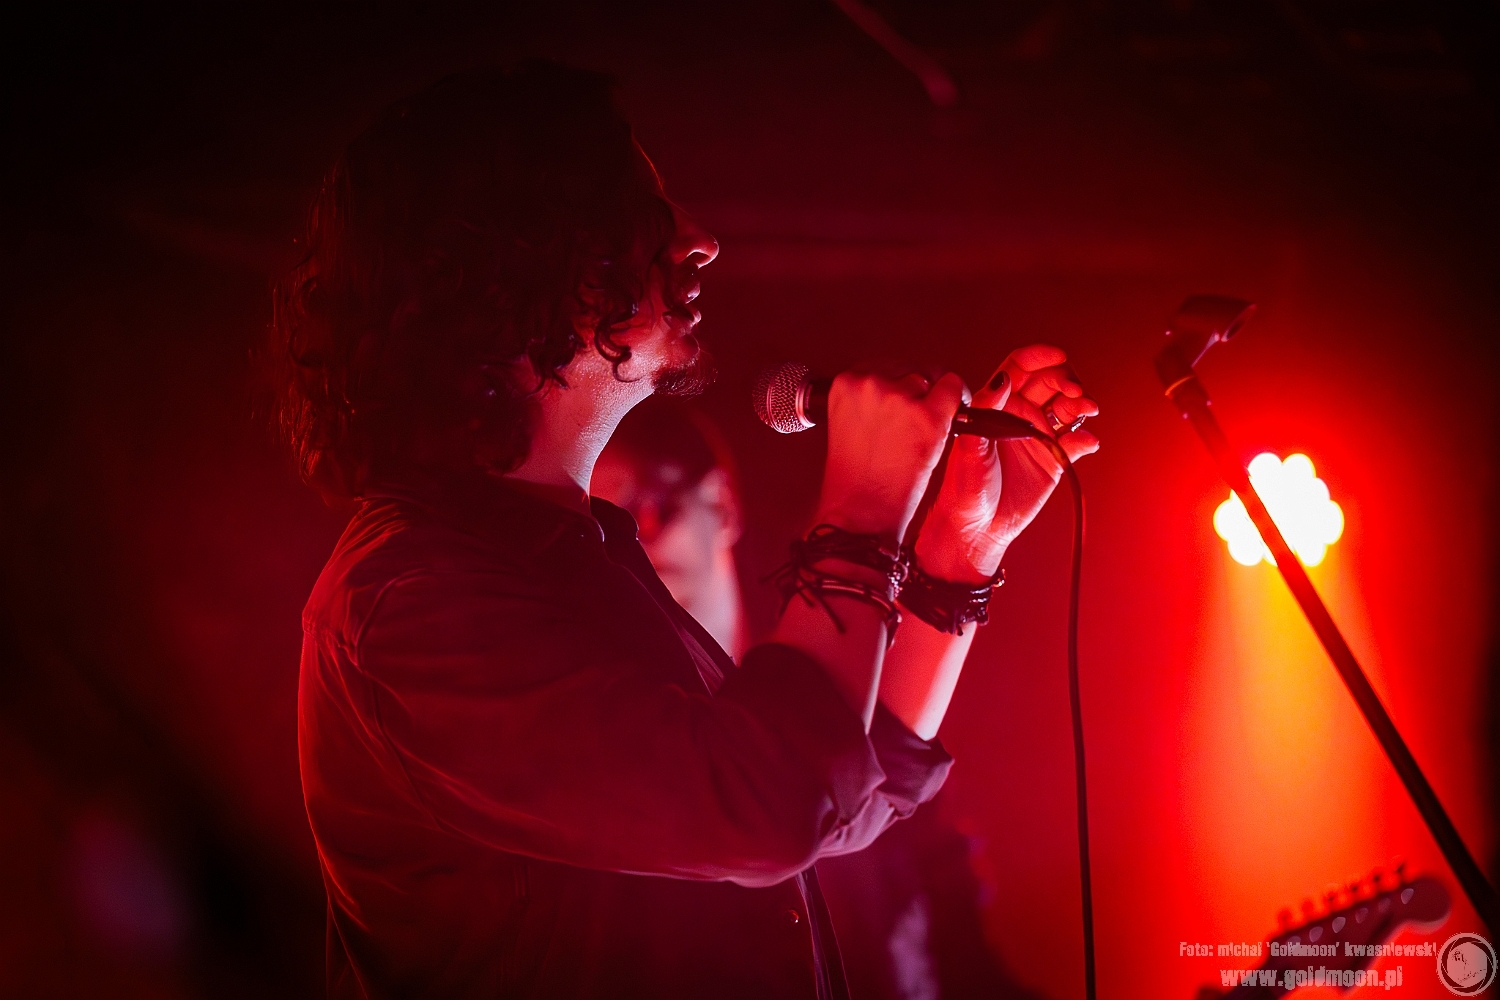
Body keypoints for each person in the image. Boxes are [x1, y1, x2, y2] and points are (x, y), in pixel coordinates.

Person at [274, 62, 1098, 999]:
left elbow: (844, 786)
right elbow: (769, 804)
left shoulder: (576, 559)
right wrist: (865, 507)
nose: (701, 241)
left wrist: (958, 549)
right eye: (643, 206)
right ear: (518, 256)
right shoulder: (408, 603)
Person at [595, 399, 1048, 1000]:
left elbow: (966, 962)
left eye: (654, 505)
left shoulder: (858, 696)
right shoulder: (610, 755)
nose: (637, 542)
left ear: (723, 502)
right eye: (607, 529)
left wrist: (970, 545)